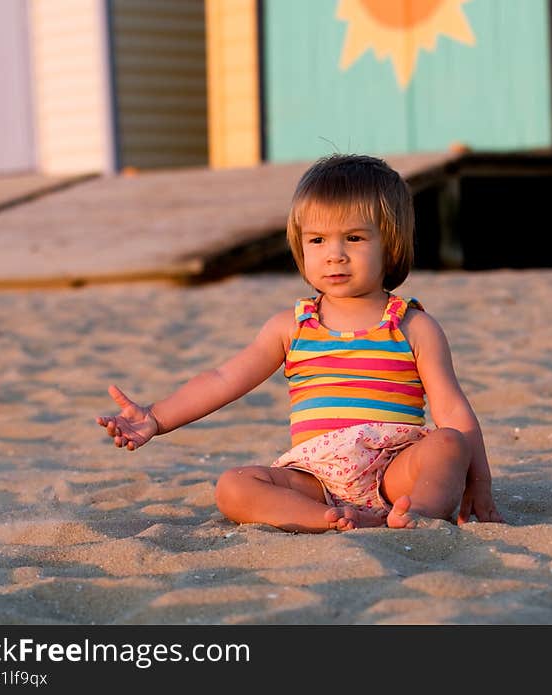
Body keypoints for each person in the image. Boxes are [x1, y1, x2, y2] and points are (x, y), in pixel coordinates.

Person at [97, 153, 503, 533]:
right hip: (315, 476)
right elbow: (222, 379)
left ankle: (410, 515)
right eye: (318, 240)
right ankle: (326, 518)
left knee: (448, 443)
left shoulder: (413, 326)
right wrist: (156, 418)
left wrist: (479, 483)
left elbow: (452, 409)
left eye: (355, 238)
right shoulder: (291, 327)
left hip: (395, 470)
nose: (335, 255)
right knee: (233, 486)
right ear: (300, 245)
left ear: (391, 243)